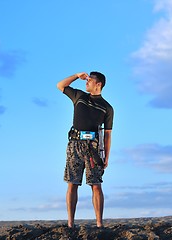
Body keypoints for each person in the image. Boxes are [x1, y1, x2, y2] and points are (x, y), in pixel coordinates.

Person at [57, 71, 114, 228]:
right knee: (72, 183)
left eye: (90, 80)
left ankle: (99, 224)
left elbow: (108, 135)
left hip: (93, 149)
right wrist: (76, 76)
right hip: (74, 144)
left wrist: (106, 157)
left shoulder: (107, 108)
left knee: (96, 184)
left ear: (99, 84)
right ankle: (70, 223)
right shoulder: (79, 96)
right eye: (86, 80)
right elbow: (60, 85)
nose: (86, 82)